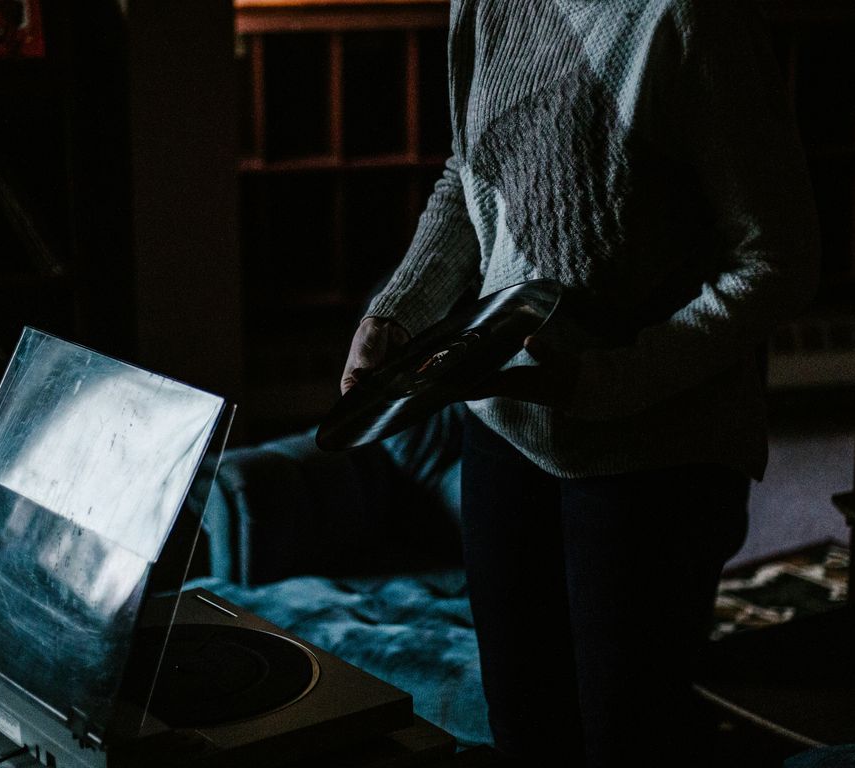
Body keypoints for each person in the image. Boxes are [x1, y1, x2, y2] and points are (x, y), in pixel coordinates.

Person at [339, 0, 820, 765]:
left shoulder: (688, 20)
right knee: (526, 730)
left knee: (627, 739)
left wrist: (608, 383)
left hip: (653, 456)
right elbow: (470, 172)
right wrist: (398, 313)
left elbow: (777, 260)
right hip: (504, 426)